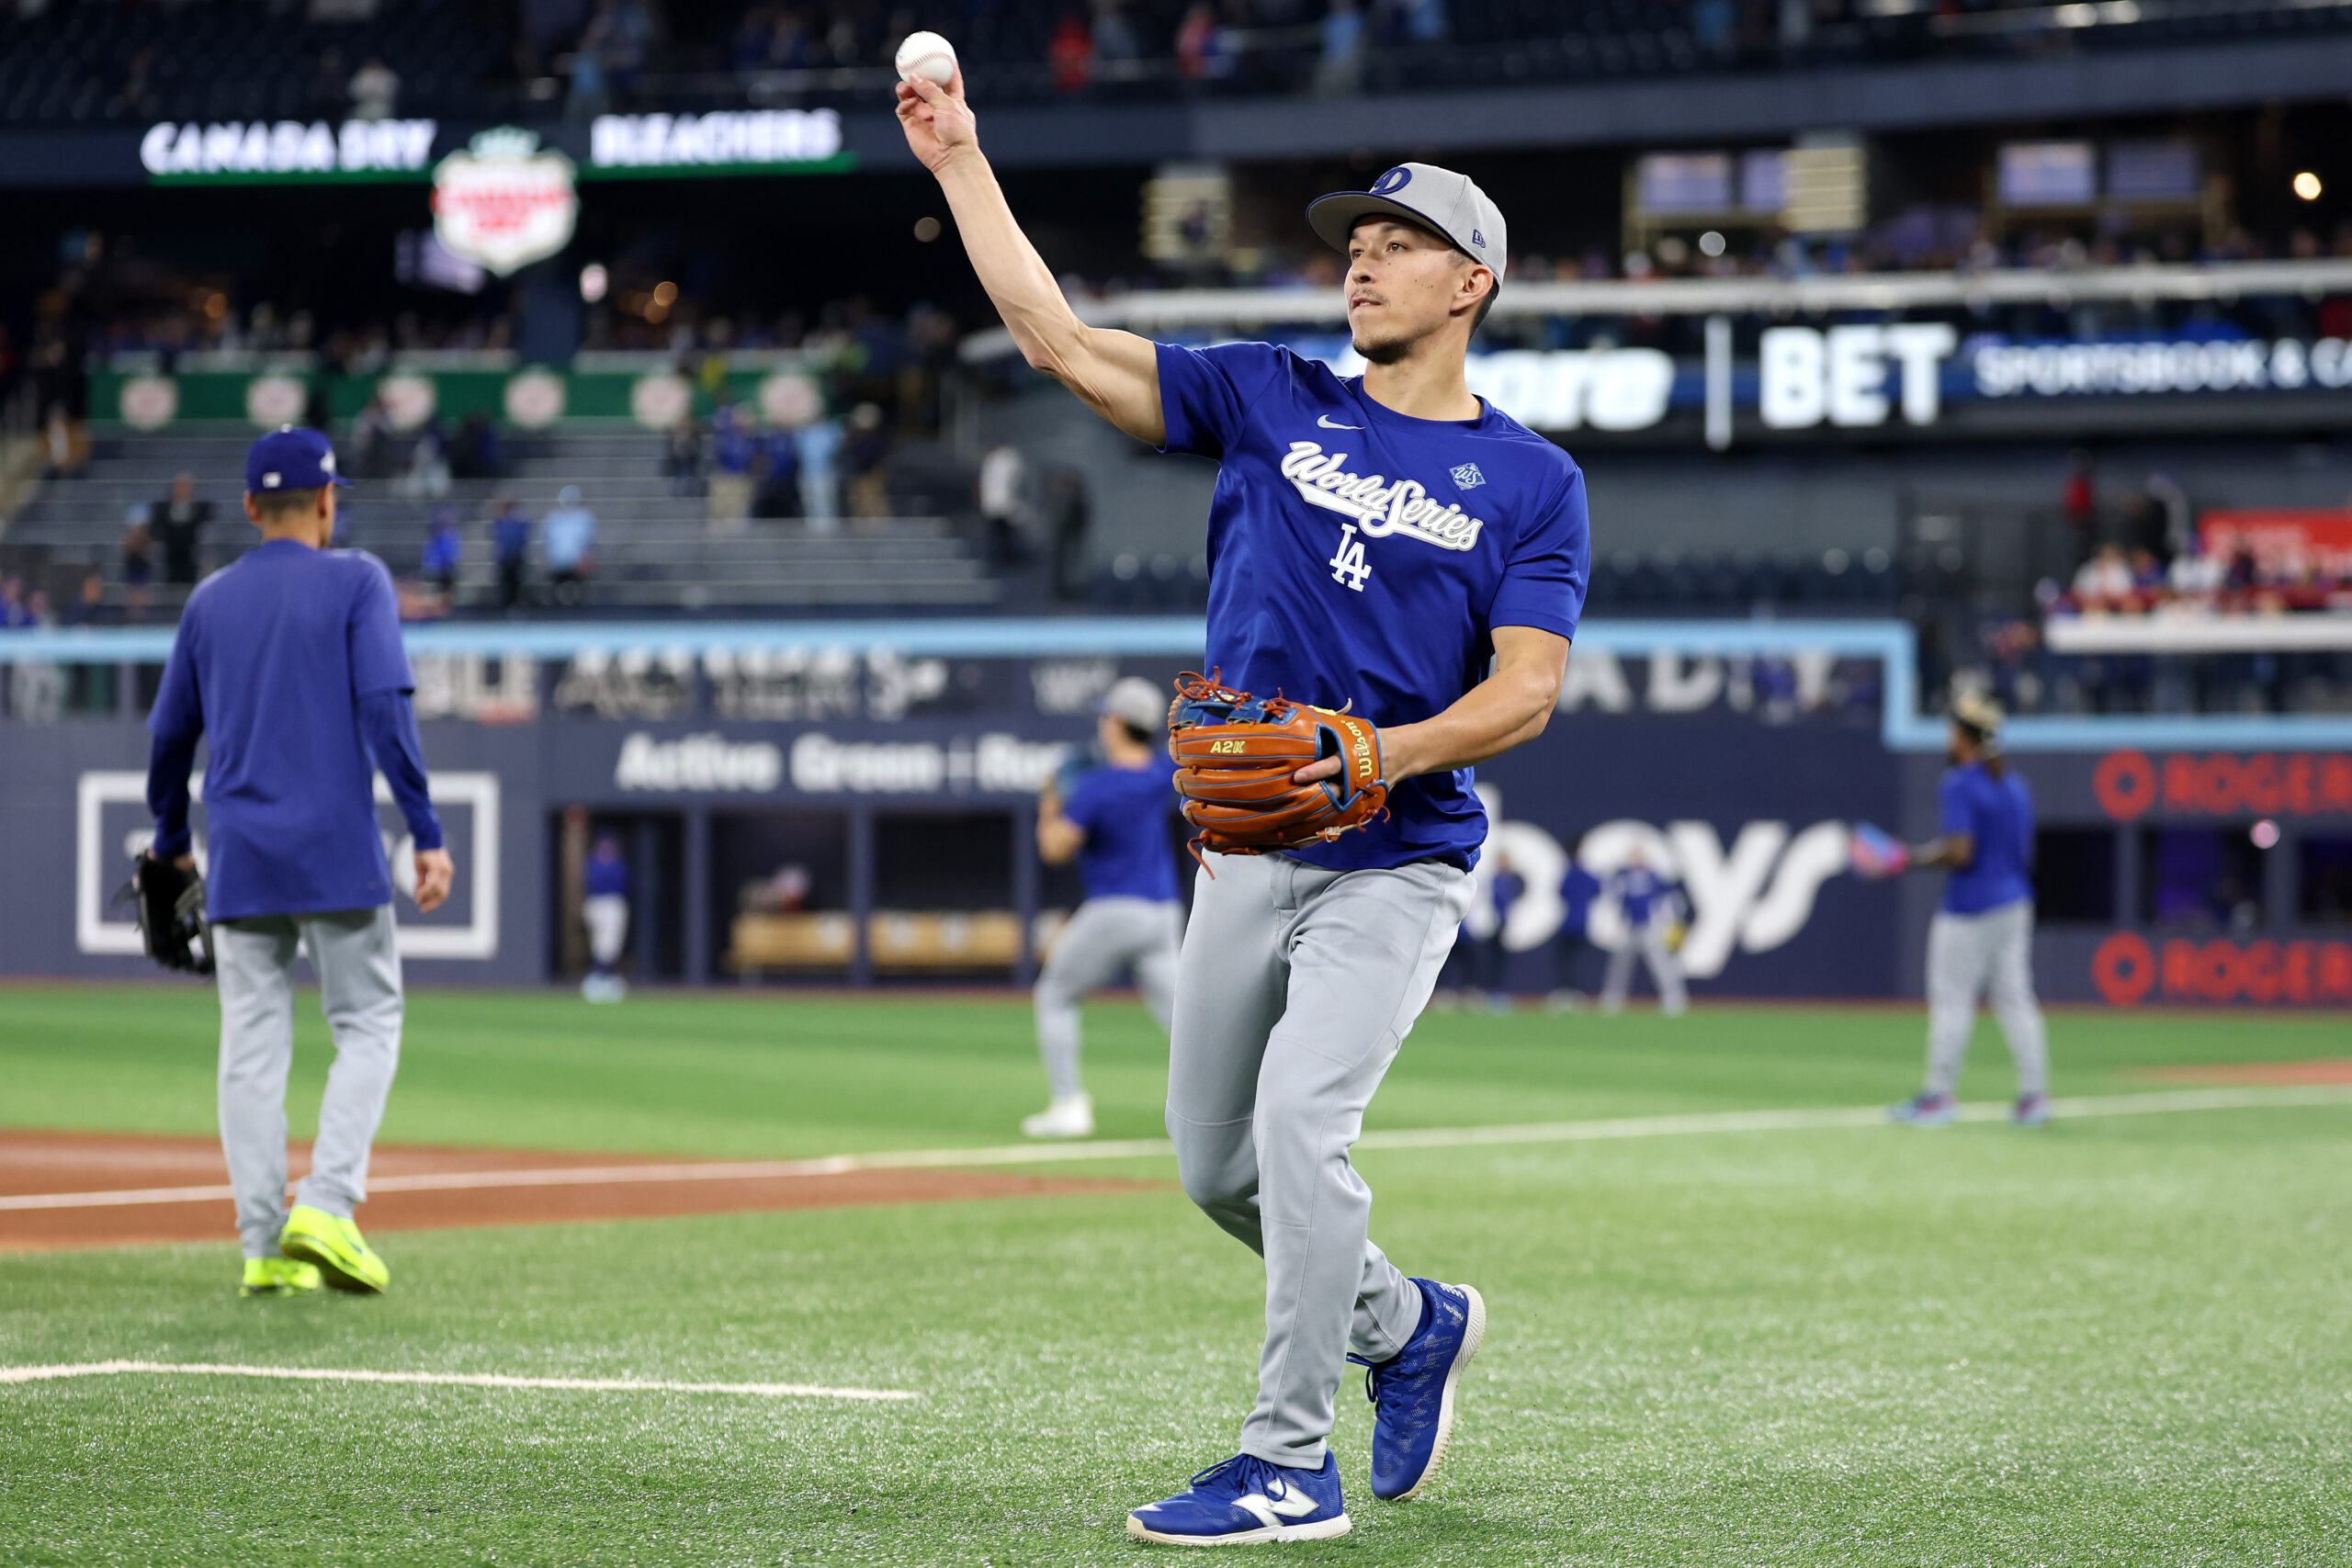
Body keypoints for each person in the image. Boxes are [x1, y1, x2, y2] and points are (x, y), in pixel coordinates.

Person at [905, 62, 1585, 1544]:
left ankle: (1289, 1463)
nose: (1360, 253)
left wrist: (1382, 755)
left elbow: (1527, 690)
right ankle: (1410, 1326)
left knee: (1295, 1126)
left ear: (1469, 282)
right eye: (1353, 237)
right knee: (1215, 1163)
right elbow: (1060, 343)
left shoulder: (1531, 480)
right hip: (1239, 850)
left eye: (1396, 240)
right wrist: (961, 161)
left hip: (1395, 859)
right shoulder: (1272, 396)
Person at [144, 425, 454, 1299]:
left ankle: (262, 1247)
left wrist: (171, 839)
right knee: (367, 1023)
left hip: (241, 859)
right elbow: (387, 711)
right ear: (327, 502)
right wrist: (426, 832)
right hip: (335, 852)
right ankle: (327, 1201)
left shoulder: (208, 600)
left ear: (248, 508)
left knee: (249, 1050)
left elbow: (170, 738)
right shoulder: (358, 579)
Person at [1024, 677, 1182, 1140]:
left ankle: (1069, 1103)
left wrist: (1050, 803)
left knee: (1054, 995)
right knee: (1184, 1022)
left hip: (1115, 910)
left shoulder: (1096, 787)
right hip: (1164, 913)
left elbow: (1055, 848)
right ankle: (1238, 1107)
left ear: (1116, 724)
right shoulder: (1159, 774)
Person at [1888, 694, 2052, 1128]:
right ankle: (2034, 1096)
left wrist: (1909, 859)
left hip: (1970, 908)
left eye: (1950, 730)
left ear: (1964, 737)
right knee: (2016, 1000)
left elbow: (1961, 851)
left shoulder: (1960, 783)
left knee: (1952, 1002)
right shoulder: (2015, 786)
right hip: (2015, 902)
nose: (1946, 738)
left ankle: (1939, 1096)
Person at [1600, 846, 1687, 1016]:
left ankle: (1673, 998)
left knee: (1661, 965)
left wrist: (1669, 921)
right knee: (1620, 966)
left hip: (1650, 928)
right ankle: (1613, 999)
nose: (1636, 859)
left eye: (1639, 856)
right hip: (1629, 927)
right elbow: (1611, 894)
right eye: (1634, 856)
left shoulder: (1654, 876)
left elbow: (1670, 898)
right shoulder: (1623, 875)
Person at [582, 831, 630, 1003]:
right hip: (599, 903)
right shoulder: (594, 863)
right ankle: (597, 978)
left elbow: (624, 883)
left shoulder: (617, 863)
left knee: (610, 945)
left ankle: (604, 977)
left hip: (612, 903)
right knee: (601, 944)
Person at [1546, 857, 1600, 1011]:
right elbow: (1598, 890)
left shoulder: (1569, 875)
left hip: (1568, 924)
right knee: (1578, 961)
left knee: (1565, 961)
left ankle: (1564, 992)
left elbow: (1561, 892)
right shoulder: (1587, 876)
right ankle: (1575, 992)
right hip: (1582, 924)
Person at [151, 472, 212, 586]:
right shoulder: (162, 508)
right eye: (180, 485)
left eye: (186, 486)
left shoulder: (201, 507)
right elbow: (156, 529)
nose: (183, 489)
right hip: (170, 556)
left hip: (191, 555)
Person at [542, 485, 596, 605]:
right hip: (558, 559)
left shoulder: (584, 517)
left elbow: (586, 540)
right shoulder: (554, 518)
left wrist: (583, 558)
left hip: (576, 560)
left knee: (579, 587)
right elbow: (549, 540)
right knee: (555, 586)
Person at [491, 496, 531, 609]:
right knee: (505, 583)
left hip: (516, 557)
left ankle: (516, 603)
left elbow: (522, 536)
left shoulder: (518, 521)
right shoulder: (500, 522)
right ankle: (504, 604)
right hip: (505, 558)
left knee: (516, 582)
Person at [420, 505, 463, 601]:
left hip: (448, 568)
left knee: (448, 587)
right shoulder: (434, 535)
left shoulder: (453, 534)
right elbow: (430, 552)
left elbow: (454, 552)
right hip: (436, 568)